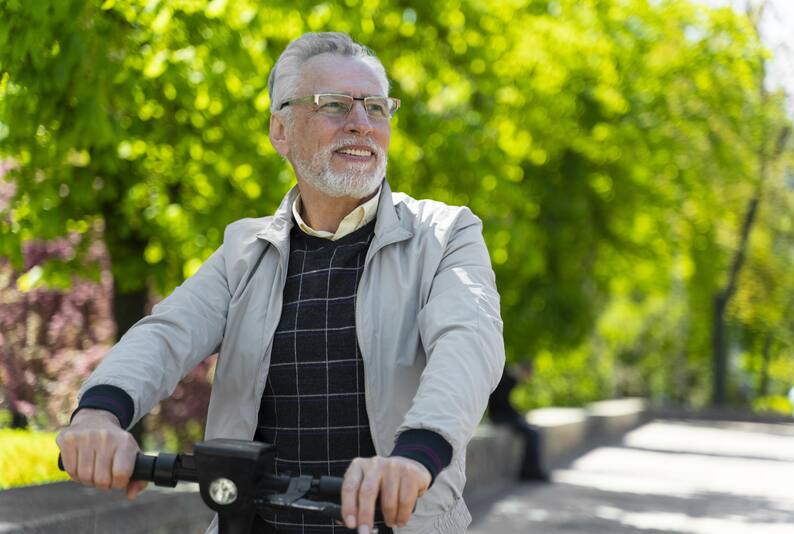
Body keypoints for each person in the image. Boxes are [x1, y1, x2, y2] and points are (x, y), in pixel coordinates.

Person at [56, 32, 505, 534]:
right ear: (281, 131)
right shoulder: (243, 251)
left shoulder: (446, 234)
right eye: (334, 105)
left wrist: (416, 456)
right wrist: (98, 414)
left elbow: (468, 344)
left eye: (376, 107)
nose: (361, 123)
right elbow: (166, 334)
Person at [487, 363, 548, 482]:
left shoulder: (510, 379)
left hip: (505, 416)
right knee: (533, 434)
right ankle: (531, 472)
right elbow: (501, 403)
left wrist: (518, 414)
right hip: (500, 417)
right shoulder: (507, 379)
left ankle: (529, 471)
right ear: (524, 371)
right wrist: (517, 415)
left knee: (534, 433)